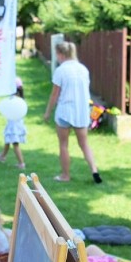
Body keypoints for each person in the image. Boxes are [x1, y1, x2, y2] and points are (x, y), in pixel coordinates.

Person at [43, 41, 102, 183]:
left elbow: (54, 94)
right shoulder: (83, 69)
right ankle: (94, 170)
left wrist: (48, 112)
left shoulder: (61, 70)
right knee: (84, 144)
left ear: (61, 54)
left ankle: (65, 175)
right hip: (81, 111)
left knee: (63, 145)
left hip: (65, 111)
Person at [0, 78, 26, 169]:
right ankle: (2, 156)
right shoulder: (20, 99)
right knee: (8, 141)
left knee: (15, 143)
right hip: (15, 123)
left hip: (14, 124)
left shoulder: (15, 99)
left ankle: (21, 163)